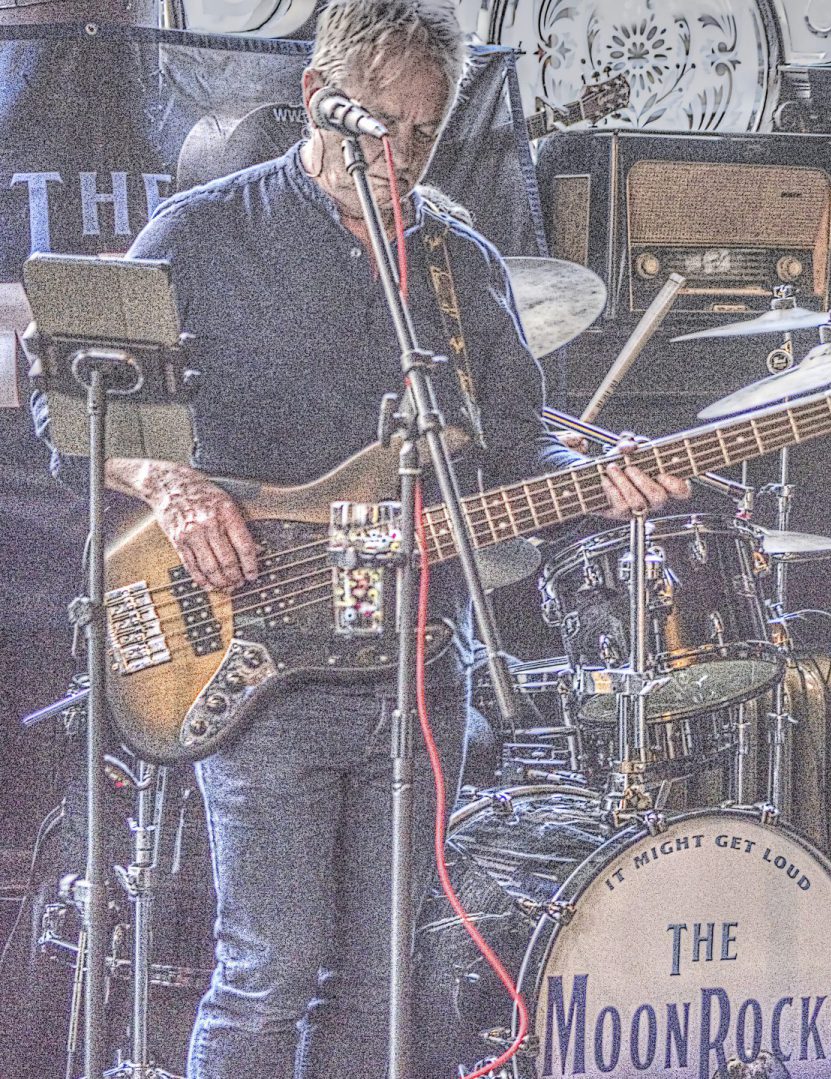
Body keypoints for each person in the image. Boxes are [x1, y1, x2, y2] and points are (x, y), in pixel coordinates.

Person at [103, 1, 689, 1075]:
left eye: (426, 131)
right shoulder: (201, 234)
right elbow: (84, 421)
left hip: (418, 667)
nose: (404, 154)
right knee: (268, 971)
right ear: (320, 97)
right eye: (382, 125)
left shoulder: (459, 264)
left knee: (382, 980)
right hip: (257, 658)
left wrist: (601, 486)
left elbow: (516, 449)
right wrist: (172, 487)